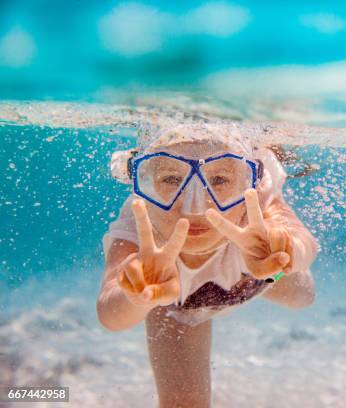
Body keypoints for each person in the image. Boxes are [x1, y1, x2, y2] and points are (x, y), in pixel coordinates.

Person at [96, 123, 318, 407]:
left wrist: (285, 250)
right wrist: (137, 294)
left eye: (220, 180)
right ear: (144, 180)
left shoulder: (256, 203)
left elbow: (305, 243)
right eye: (172, 180)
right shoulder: (140, 228)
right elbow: (109, 314)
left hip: (264, 276)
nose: (195, 208)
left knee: (303, 296)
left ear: (246, 178)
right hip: (173, 306)